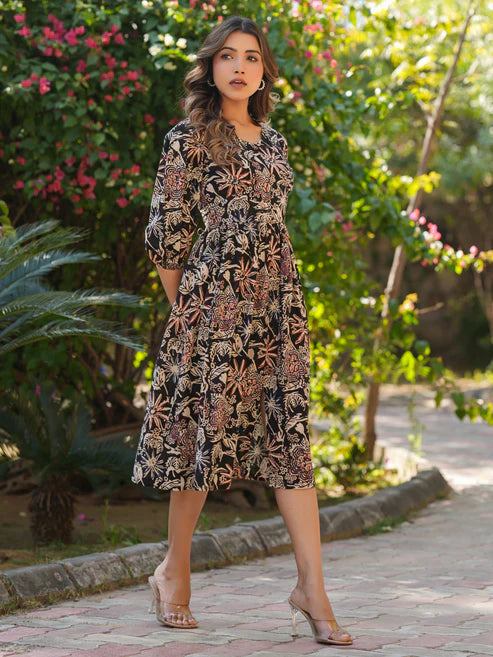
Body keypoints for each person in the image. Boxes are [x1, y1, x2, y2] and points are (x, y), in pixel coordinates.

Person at [132, 15, 353, 647]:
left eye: (251, 57)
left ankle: (312, 589)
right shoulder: (187, 140)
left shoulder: (275, 143)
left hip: (278, 311)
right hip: (212, 313)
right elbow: (167, 240)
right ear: (211, 67)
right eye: (227, 56)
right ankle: (174, 572)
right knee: (203, 443)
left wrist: (265, 304)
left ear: (263, 73)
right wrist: (196, 313)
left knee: (291, 441)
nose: (239, 67)